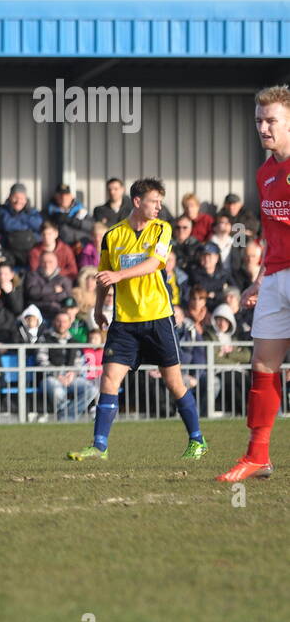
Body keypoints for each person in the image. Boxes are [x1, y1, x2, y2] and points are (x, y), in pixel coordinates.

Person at [67, 178, 208, 463]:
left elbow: (155, 263)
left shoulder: (162, 229)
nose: (159, 206)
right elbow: (103, 275)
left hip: (158, 317)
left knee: (173, 381)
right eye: (154, 201)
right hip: (125, 321)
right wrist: (97, 308)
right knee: (109, 378)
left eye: (160, 201)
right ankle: (99, 446)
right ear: (137, 201)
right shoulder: (112, 235)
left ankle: (197, 440)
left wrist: (119, 276)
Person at [218, 87, 290, 481]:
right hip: (276, 278)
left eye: (271, 120)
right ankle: (257, 457)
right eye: (259, 120)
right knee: (263, 364)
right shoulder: (265, 173)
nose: (263, 127)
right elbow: (270, 232)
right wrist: (259, 280)